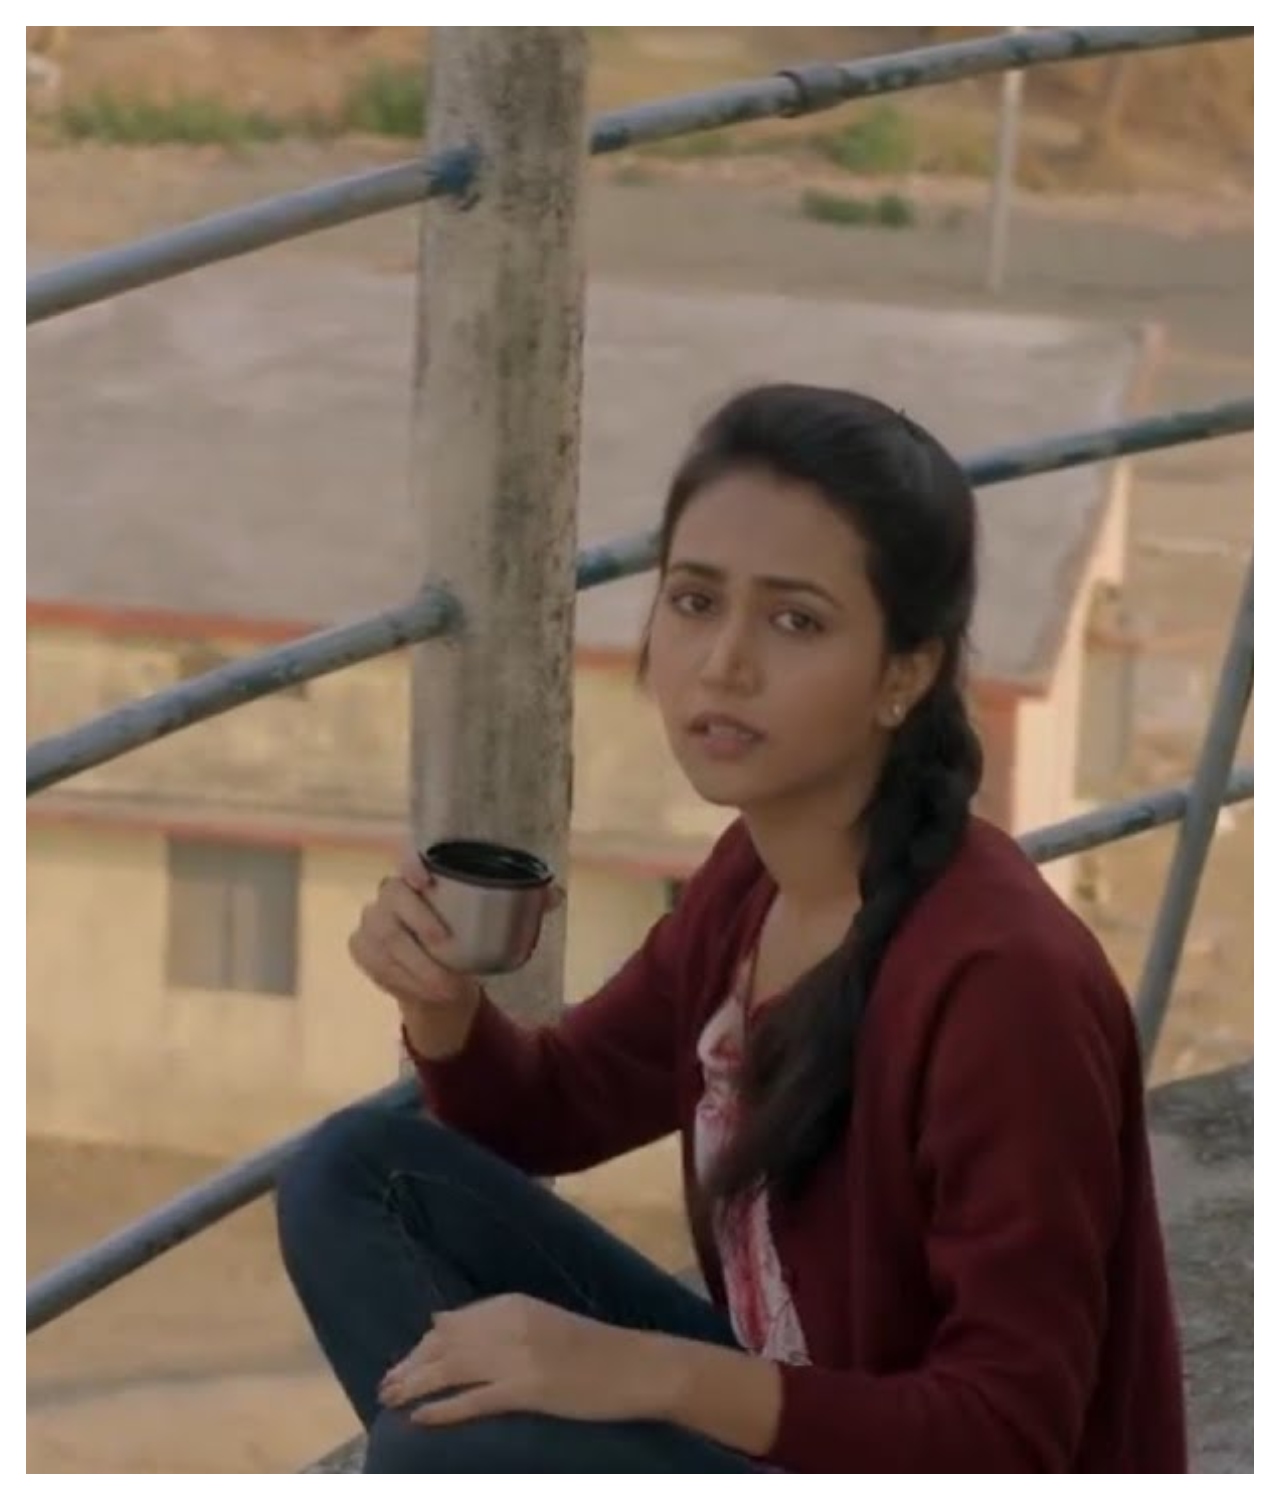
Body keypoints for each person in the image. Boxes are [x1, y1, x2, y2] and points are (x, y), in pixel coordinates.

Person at [275, 384, 1187, 1474]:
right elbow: (555, 1110)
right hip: (795, 1435)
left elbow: (1010, 1437)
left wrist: (648, 1372)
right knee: (354, 1175)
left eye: (795, 621)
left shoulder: (1000, 985)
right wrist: (443, 1006)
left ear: (906, 672)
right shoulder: (751, 883)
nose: (723, 664)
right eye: (696, 601)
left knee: (445, 1455)